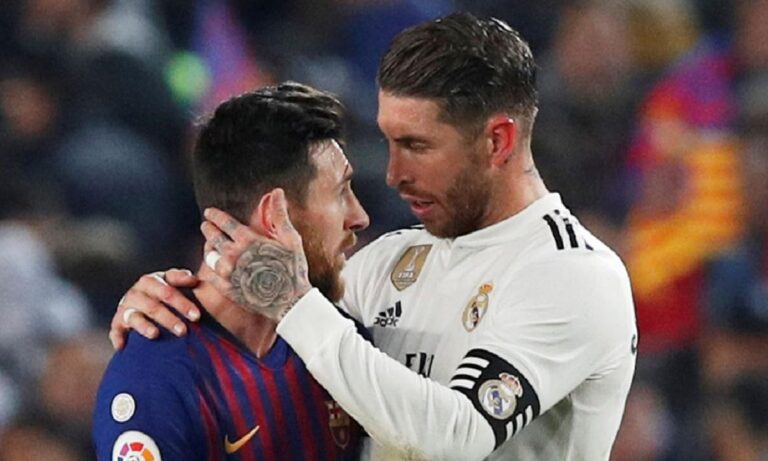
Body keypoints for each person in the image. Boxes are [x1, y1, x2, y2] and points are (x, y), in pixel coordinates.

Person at [113, 13, 637, 460]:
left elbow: (457, 438)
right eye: (388, 141)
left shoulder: (572, 274)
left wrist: (291, 301)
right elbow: (268, 324)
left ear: (497, 141)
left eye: (417, 145)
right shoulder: (386, 264)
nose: (393, 174)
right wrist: (168, 306)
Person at [94, 82, 370, 460]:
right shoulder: (156, 378)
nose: (359, 217)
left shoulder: (343, 345)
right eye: (341, 193)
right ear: (275, 216)